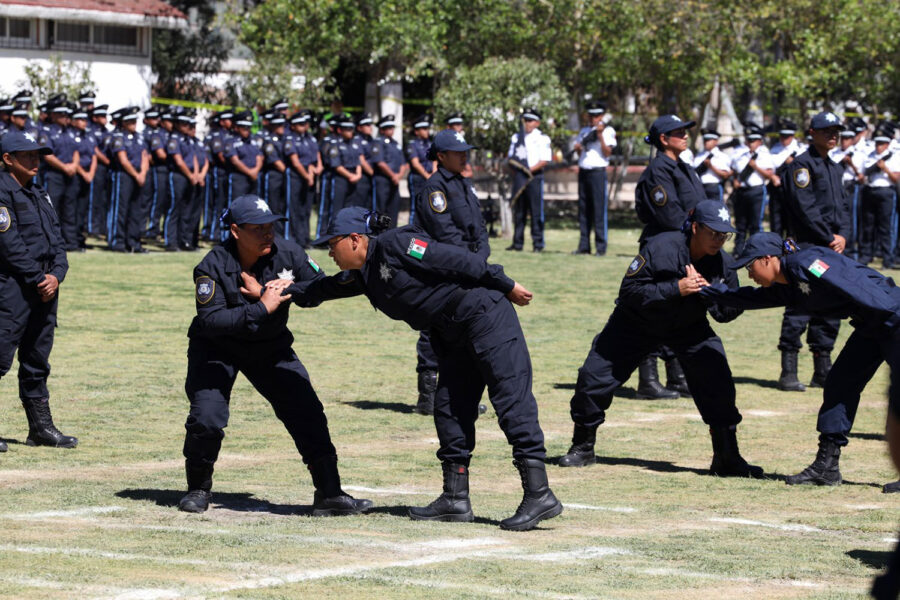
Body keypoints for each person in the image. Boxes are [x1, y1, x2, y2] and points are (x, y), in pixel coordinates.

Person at [291, 206, 563, 531]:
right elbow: (326, 288)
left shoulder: (396, 245)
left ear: (354, 239)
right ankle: (455, 499)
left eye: (331, 244)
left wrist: (505, 284)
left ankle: (539, 493)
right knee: (448, 408)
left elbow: (458, 261)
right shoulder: (365, 272)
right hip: (451, 333)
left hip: (485, 316)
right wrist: (284, 293)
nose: (329, 252)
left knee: (510, 399)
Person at [178, 194, 372, 515]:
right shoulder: (211, 265)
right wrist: (262, 307)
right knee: (207, 417)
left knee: (306, 410)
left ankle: (329, 493)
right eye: (259, 228)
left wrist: (290, 291)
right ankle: (198, 488)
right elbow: (212, 321)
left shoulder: (288, 253)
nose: (269, 233)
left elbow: (319, 288)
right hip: (217, 347)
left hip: (269, 344)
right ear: (236, 231)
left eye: (271, 226)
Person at [558, 201, 762, 478]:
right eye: (713, 232)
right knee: (593, 378)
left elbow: (726, 314)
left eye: (724, 234)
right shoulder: (660, 247)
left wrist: (710, 291)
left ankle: (727, 456)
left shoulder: (723, 264)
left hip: (688, 327)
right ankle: (582, 446)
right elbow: (629, 291)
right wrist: (676, 288)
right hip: (636, 322)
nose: (719, 239)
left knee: (718, 379)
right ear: (695, 228)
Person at [701, 232, 900, 491]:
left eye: (751, 266)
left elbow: (856, 283)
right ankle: (827, 466)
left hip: (892, 318)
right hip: (871, 325)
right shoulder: (789, 286)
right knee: (840, 385)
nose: (750, 274)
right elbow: (751, 298)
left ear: (768, 259)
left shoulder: (806, 263)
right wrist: (709, 291)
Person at [0, 130, 77, 451]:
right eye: (28, 155)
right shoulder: (2, 194)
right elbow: (8, 244)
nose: (36, 161)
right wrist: (38, 277)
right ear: (7, 159)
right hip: (13, 287)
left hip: (46, 287)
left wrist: (57, 275)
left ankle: (40, 428)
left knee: (36, 358)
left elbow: (57, 241)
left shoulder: (39, 193)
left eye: (37, 155)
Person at [411, 129, 491, 416]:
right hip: (443, 267)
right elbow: (444, 234)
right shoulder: (434, 189)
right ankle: (428, 395)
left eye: (465, 151)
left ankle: (459, 395)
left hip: (469, 265)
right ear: (441, 157)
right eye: (458, 152)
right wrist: (469, 262)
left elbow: (479, 227)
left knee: (464, 329)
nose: (464, 156)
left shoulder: (464, 184)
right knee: (434, 327)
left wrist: (480, 257)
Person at [633, 114, 707, 399]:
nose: (686, 136)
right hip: (664, 248)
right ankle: (648, 380)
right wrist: (693, 238)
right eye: (679, 132)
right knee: (655, 310)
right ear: (664, 139)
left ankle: (677, 376)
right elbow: (670, 214)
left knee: (680, 312)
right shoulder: (658, 170)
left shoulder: (685, 168)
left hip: (685, 247)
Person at [776, 111, 850, 392]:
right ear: (812, 133)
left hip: (831, 248)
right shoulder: (801, 167)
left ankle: (822, 368)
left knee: (831, 305)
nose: (833, 135)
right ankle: (788, 371)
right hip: (807, 248)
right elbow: (804, 208)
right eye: (827, 130)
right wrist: (829, 236)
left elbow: (843, 207)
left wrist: (842, 236)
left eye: (836, 131)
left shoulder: (835, 168)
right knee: (801, 304)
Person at [573, 100, 616, 255]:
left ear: (602, 116)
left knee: (599, 210)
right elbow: (579, 153)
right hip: (584, 171)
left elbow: (607, 153)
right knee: (584, 210)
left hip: (597, 172)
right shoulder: (584, 131)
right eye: (591, 116)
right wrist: (578, 148)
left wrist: (599, 135)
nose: (593, 119)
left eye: (596, 115)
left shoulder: (607, 131)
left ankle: (600, 247)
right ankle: (584, 245)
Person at [506, 107, 552, 252]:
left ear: (537, 123)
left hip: (534, 177)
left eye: (530, 120)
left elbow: (544, 160)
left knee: (536, 212)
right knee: (519, 212)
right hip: (520, 177)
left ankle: (538, 244)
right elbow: (511, 157)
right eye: (525, 120)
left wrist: (528, 171)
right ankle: (517, 243)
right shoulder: (516, 137)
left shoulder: (542, 138)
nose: (527, 123)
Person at [39, 100, 81, 251]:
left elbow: (77, 151)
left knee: (70, 210)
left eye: (66, 114)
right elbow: (47, 155)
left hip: (70, 174)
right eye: (61, 114)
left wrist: (74, 166)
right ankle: (52, 244)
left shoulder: (70, 132)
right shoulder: (46, 132)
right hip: (54, 174)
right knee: (52, 209)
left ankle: (71, 242)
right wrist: (65, 167)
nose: (65, 117)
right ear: (53, 115)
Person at [108, 107, 149, 253]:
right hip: (124, 175)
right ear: (123, 123)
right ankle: (117, 242)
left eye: (134, 120)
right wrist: (136, 175)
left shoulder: (139, 137)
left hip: (139, 176)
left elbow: (145, 156)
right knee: (121, 209)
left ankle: (133, 242)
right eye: (130, 121)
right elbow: (123, 159)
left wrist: (142, 173)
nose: (133, 123)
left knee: (136, 211)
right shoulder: (118, 137)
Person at [858, 125, 900, 269]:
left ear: (888, 144)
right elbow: (863, 174)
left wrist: (885, 168)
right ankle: (865, 256)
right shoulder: (869, 155)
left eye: (882, 144)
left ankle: (887, 259)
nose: (879, 146)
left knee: (885, 228)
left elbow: (896, 179)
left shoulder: (894, 156)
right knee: (868, 226)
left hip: (886, 192)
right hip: (870, 190)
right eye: (877, 143)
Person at [730, 123, 775, 257]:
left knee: (755, 224)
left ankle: (757, 251)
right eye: (748, 140)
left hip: (756, 191)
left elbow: (769, 174)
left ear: (760, 141)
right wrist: (735, 180)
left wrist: (755, 166)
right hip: (742, 191)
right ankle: (738, 251)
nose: (750, 143)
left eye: (753, 141)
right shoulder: (740, 153)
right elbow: (734, 170)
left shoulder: (764, 154)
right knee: (740, 224)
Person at [767, 118, 804, 237]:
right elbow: (769, 167)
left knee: (792, 226)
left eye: (786, 136)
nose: (783, 139)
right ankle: (776, 252)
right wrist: (772, 176)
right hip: (777, 189)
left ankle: (791, 253)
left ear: (792, 135)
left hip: (793, 190)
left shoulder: (800, 149)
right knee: (776, 223)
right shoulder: (774, 148)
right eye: (782, 136)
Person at [372, 114, 407, 228]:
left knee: (394, 208)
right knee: (381, 209)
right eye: (388, 127)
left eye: (392, 127)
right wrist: (393, 175)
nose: (391, 130)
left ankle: (391, 234)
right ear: (381, 129)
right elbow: (380, 162)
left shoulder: (396, 144)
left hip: (395, 181)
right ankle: (378, 235)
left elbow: (403, 163)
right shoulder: (378, 142)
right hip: (383, 180)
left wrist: (399, 176)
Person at [405, 115, 435, 223]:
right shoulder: (412, 145)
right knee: (415, 207)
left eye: (427, 128)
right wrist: (427, 176)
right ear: (417, 131)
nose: (427, 131)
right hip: (418, 178)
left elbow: (434, 160)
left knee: (428, 207)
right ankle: (412, 232)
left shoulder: (430, 144)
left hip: (430, 177)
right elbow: (415, 163)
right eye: (424, 129)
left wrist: (434, 174)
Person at [692, 129, 733, 202]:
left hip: (714, 187)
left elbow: (725, 175)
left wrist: (711, 166)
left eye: (708, 140)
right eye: (705, 140)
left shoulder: (722, 156)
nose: (705, 142)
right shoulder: (699, 156)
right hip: (700, 188)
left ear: (716, 141)